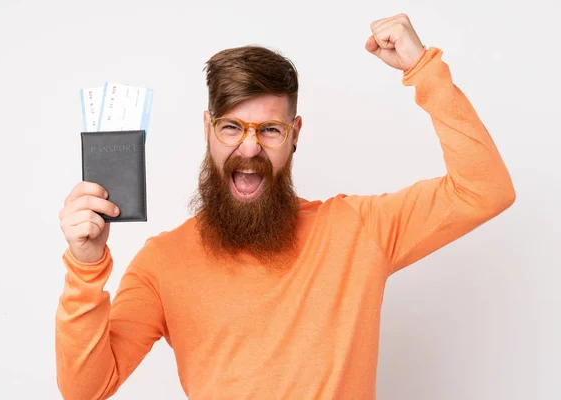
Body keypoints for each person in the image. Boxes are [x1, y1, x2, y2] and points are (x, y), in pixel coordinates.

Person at [56, 13, 515, 400]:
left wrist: (423, 69)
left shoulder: (358, 229)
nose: (250, 149)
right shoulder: (163, 262)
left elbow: (485, 189)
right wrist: (85, 267)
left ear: (295, 133)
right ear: (207, 129)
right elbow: (87, 390)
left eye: (270, 130)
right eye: (232, 127)